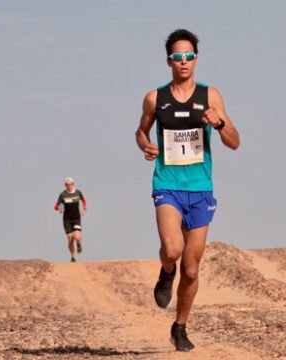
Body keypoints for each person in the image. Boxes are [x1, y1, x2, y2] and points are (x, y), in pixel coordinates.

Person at [135, 29, 240, 352]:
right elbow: (141, 131)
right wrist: (146, 146)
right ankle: (166, 272)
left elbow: (234, 141)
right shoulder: (155, 97)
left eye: (189, 56)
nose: (183, 62)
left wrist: (219, 123)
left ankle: (179, 326)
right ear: (169, 61)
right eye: (178, 57)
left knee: (192, 269)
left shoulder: (211, 96)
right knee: (172, 249)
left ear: (196, 59)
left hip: (200, 188)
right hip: (167, 184)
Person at [54, 177, 87, 262]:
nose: (69, 186)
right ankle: (73, 257)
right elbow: (56, 206)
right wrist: (60, 208)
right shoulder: (63, 195)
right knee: (70, 239)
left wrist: (84, 208)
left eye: (71, 184)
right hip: (67, 219)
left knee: (77, 237)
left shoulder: (78, 192)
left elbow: (83, 200)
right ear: (65, 185)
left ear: (73, 184)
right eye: (67, 185)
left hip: (76, 218)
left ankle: (79, 244)